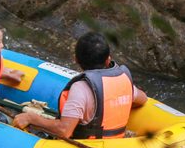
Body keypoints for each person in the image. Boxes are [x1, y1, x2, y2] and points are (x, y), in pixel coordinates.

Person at [13, 32, 147, 139]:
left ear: (76, 60)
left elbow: (64, 131)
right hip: (117, 144)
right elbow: (142, 99)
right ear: (108, 60)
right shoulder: (123, 81)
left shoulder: (81, 88)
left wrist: (31, 117)